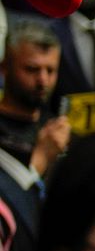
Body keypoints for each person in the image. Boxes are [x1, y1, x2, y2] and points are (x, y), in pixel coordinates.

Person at [0, 20, 65, 177]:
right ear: (4, 68)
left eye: (50, 70)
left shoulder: (56, 129)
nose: (43, 80)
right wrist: (41, 158)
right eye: (32, 69)